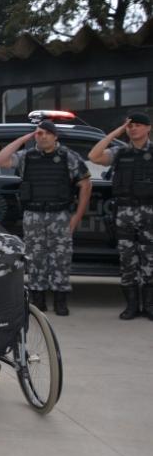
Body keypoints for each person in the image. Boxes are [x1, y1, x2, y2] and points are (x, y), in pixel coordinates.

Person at [0, 120, 91, 315]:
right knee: (35, 257)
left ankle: (60, 301)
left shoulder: (68, 156)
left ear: (55, 136)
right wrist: (25, 138)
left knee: (61, 258)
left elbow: (86, 184)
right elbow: (0, 160)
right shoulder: (27, 156)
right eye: (39, 133)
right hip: (33, 215)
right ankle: (38, 301)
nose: (43, 136)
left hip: (60, 215)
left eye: (47, 133)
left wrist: (77, 216)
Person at [89, 112, 153, 320]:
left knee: (150, 260)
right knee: (127, 260)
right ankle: (131, 307)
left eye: (138, 125)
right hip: (125, 212)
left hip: (150, 211)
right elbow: (94, 156)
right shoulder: (120, 152)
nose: (133, 128)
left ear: (148, 128)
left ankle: (149, 306)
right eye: (130, 126)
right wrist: (115, 133)